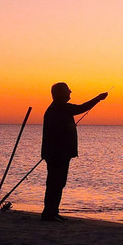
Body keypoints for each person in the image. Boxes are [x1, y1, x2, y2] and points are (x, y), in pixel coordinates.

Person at [40, 82, 107, 222]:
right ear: (59, 93)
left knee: (57, 183)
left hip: (58, 153)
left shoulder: (59, 108)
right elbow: (81, 108)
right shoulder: (60, 107)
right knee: (55, 183)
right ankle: (49, 213)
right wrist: (97, 99)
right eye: (67, 90)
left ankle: (52, 211)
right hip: (57, 153)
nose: (70, 92)